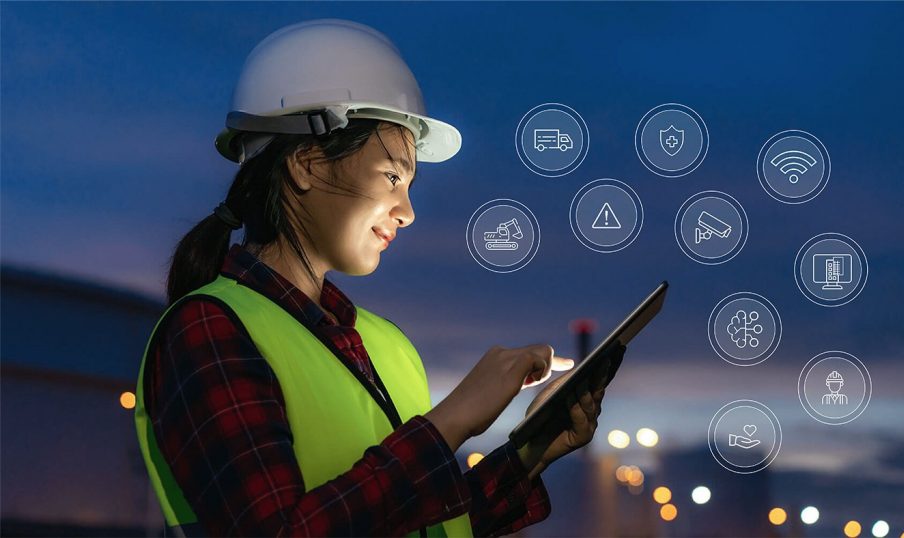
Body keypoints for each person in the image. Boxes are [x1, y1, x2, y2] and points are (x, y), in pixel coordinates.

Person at [132, 19, 608, 538]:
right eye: (391, 176)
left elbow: (420, 523)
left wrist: (530, 452)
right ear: (307, 164)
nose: (407, 212)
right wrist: (453, 420)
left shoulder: (387, 346)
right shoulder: (208, 331)